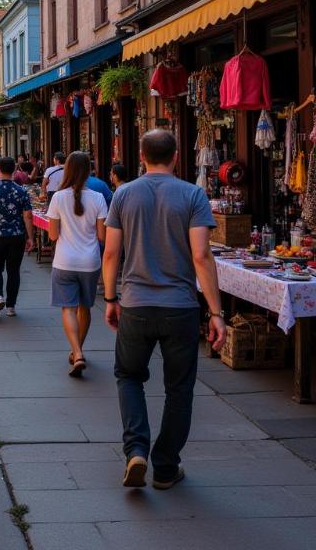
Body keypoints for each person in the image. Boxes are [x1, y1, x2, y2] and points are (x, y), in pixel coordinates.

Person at [102, 130, 226, 490]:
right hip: (180, 308)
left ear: (142, 155)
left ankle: (136, 449)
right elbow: (202, 255)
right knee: (179, 388)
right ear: (176, 156)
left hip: (136, 304)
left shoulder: (123, 194)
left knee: (128, 376)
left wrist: (111, 298)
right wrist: (216, 312)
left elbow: (111, 253)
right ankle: (166, 466)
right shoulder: (193, 194)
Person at [47, 152, 108, 377]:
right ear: (89, 170)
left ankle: (77, 352)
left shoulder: (58, 197)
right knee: (85, 307)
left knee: (68, 308)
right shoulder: (99, 198)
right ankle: (78, 350)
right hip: (90, 261)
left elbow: (53, 236)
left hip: (64, 260)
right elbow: (102, 236)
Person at [0, 157, 34, 317]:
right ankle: (11, 306)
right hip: (17, 236)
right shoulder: (21, 190)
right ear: (15, 171)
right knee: (14, 271)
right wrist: (30, 237)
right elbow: (28, 215)